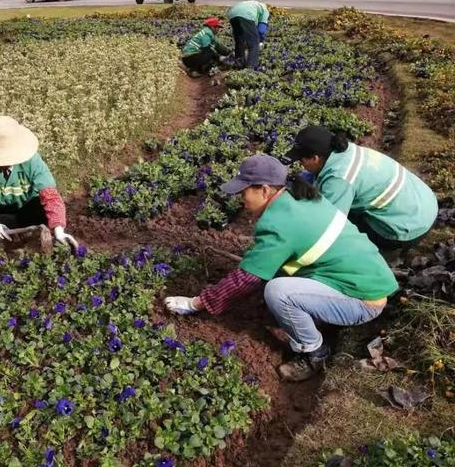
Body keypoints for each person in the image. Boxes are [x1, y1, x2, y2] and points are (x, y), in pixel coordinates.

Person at [164, 155, 398, 382]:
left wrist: (196, 303)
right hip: (365, 280)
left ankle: (314, 352)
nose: (240, 198)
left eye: (244, 191)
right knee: (276, 282)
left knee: (278, 292)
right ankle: (314, 319)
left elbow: (246, 279)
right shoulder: (300, 198)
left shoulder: (279, 225)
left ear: (264, 190)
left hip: (362, 302)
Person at [285, 126, 438, 251]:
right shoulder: (344, 150)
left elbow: (327, 223)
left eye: (301, 160)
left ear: (315, 158)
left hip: (407, 227)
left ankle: (384, 253)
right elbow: (315, 176)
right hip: (423, 202)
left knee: (338, 231)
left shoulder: (339, 179)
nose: (301, 165)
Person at [0, 115, 78, 251]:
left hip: (26, 209)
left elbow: (51, 197)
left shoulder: (32, 160)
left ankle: (33, 243)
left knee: (42, 214)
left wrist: (59, 230)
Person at [228, 0, 270, 69]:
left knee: (239, 39)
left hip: (233, 14)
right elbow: (261, 29)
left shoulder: (255, 5)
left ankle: (239, 62)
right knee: (254, 42)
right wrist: (261, 40)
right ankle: (251, 66)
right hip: (247, 14)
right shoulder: (265, 10)